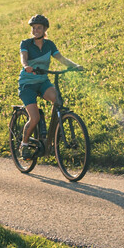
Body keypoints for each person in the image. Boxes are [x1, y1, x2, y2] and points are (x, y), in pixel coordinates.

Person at [17, 14, 84, 157]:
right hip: (27, 84)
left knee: (58, 100)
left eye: (39, 28)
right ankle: (24, 145)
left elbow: (60, 58)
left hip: (42, 82)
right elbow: (23, 57)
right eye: (34, 28)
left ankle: (52, 139)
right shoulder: (26, 43)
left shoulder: (49, 45)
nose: (36, 30)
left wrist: (75, 66)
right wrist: (26, 66)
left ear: (45, 29)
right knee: (34, 118)